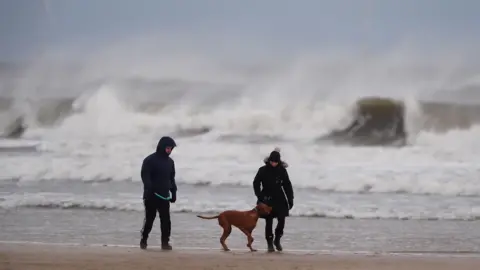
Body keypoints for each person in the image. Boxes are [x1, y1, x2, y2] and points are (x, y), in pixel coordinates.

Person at [140, 136, 178, 250]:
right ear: (161, 147)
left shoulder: (170, 162)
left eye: (171, 148)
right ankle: (144, 240)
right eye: (167, 148)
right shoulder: (149, 160)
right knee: (149, 220)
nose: (169, 150)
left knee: (166, 221)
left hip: (164, 196)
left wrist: (174, 192)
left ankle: (165, 243)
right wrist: (149, 187)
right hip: (151, 196)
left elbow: (171, 179)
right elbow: (145, 176)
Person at [253, 148, 294, 252]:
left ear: (278, 161)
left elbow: (287, 185)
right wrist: (260, 197)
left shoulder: (282, 170)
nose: (273, 164)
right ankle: (270, 243)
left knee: (282, 220)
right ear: (269, 160)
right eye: (272, 161)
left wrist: (290, 199)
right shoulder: (262, 170)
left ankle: (277, 240)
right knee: (269, 221)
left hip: (279, 197)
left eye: (275, 162)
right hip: (266, 197)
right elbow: (256, 183)